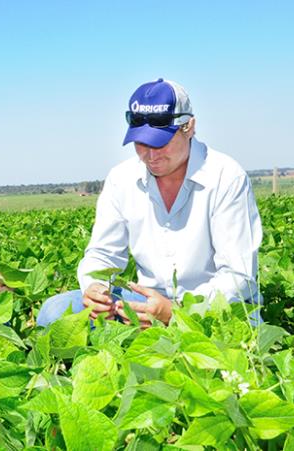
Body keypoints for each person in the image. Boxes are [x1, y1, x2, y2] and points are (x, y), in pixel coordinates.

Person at [37, 78, 263, 328]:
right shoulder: (121, 179)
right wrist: (95, 288)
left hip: (219, 308)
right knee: (54, 313)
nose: (151, 155)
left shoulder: (226, 176)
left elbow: (238, 276)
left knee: (228, 346)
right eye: (142, 143)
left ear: (189, 127)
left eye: (161, 142)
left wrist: (179, 312)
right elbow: (102, 254)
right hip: (147, 305)